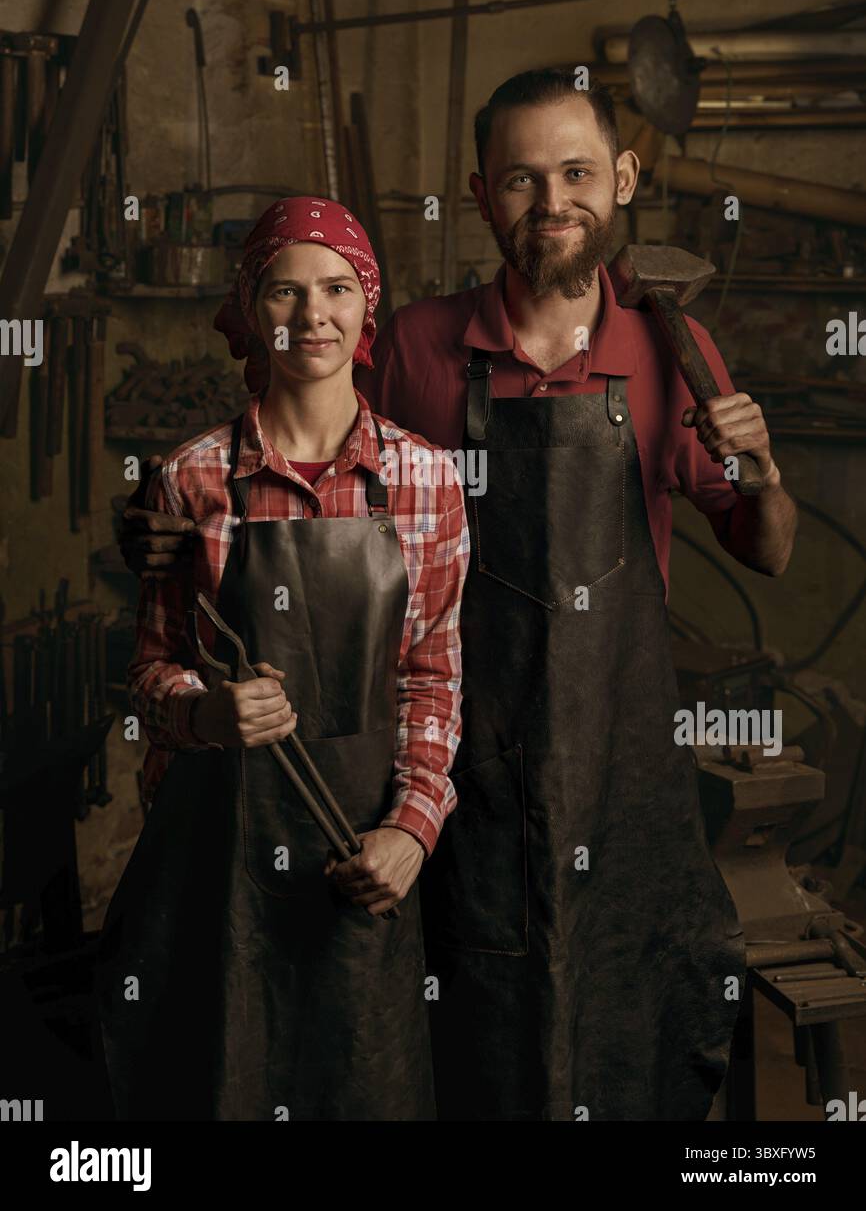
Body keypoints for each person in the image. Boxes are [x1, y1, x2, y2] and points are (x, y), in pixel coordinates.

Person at [120, 70, 797, 1122]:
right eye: (522, 179)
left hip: (611, 761)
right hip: (448, 772)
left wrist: (758, 468)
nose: (552, 201)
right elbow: (306, 466)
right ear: (481, 194)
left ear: (620, 178)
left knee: (616, 1029)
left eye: (576, 172)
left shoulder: (673, 347)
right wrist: (159, 537)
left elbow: (765, 552)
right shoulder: (418, 351)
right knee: (445, 1051)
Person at [98, 196, 469, 1122]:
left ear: (368, 307)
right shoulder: (189, 479)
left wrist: (411, 831)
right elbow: (147, 680)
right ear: (251, 308)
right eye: (285, 291)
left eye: (338, 288)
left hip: (362, 861)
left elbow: (434, 678)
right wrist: (204, 714)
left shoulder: (426, 480)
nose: (313, 316)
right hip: (216, 874)